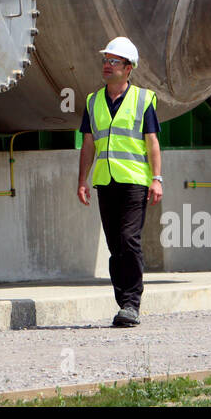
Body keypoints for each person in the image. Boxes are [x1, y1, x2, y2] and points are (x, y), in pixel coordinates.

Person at [76, 36, 162, 327]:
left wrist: (157, 179)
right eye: (105, 60)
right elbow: (88, 144)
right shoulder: (93, 101)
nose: (107, 65)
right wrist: (82, 180)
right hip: (105, 181)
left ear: (128, 68)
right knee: (115, 245)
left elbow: (152, 143)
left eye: (113, 61)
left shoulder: (142, 100)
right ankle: (123, 302)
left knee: (129, 240)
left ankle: (131, 303)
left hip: (134, 181)